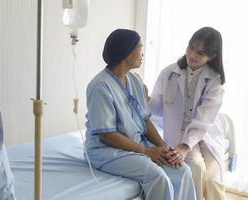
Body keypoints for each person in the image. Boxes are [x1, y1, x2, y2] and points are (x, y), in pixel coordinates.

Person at [84, 28, 197, 200]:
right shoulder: (100, 86)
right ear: (126, 51)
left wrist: (163, 147)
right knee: (157, 176)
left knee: (182, 169)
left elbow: (145, 120)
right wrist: (146, 151)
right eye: (139, 47)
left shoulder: (134, 80)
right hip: (107, 151)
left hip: (136, 144)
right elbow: (107, 136)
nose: (143, 52)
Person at [148, 27, 227, 200]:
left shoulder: (215, 80)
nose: (192, 55)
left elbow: (203, 121)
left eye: (200, 52)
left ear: (212, 56)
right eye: (191, 48)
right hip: (180, 132)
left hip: (206, 132)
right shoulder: (168, 72)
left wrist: (185, 147)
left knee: (213, 177)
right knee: (197, 168)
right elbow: (157, 108)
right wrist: (145, 98)